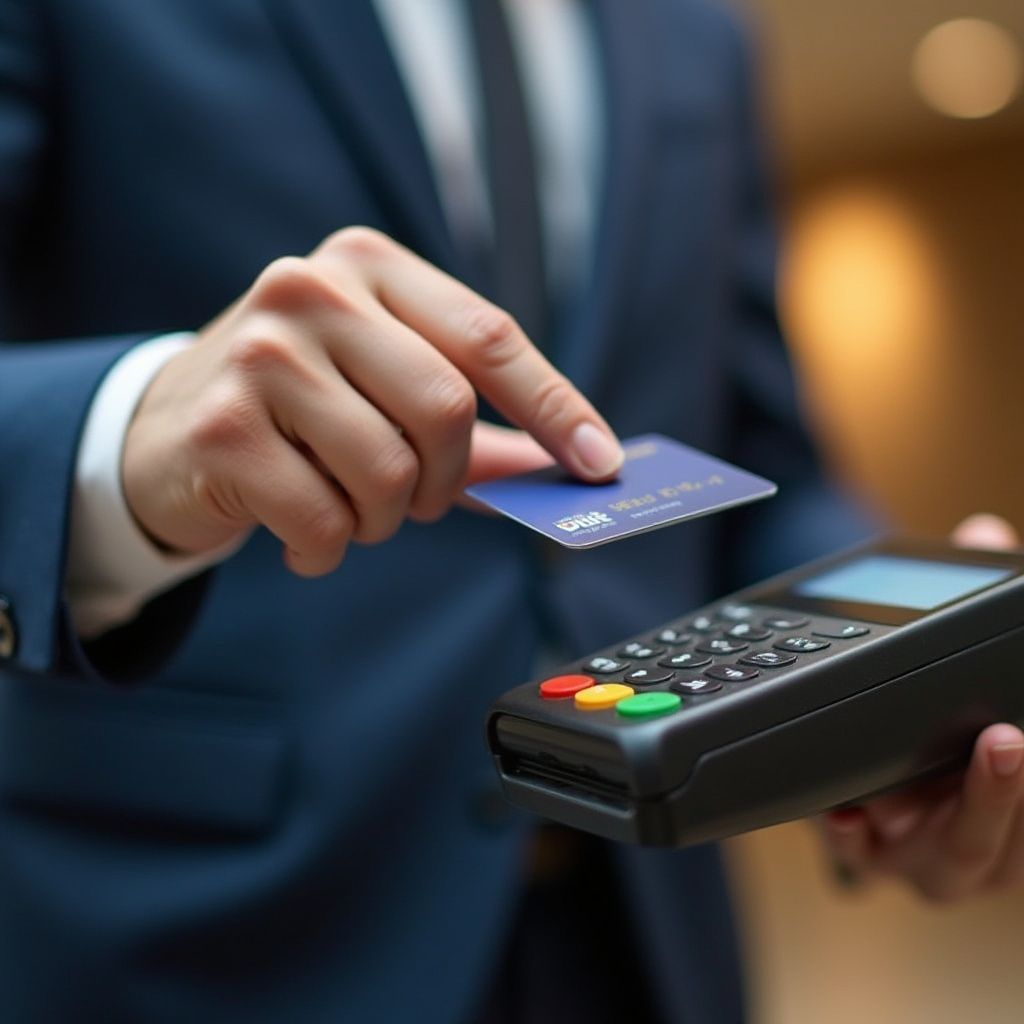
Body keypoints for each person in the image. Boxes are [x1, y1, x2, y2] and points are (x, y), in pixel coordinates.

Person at [0, 1, 1021, 1021]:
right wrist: (124, 427)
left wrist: (903, 702)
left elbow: (762, 465)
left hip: (640, 930)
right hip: (215, 925)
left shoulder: (701, 32)